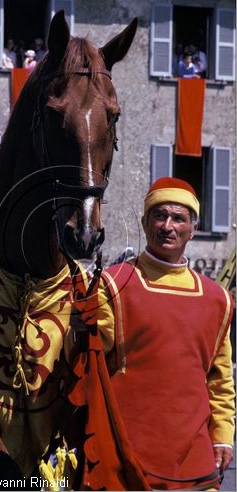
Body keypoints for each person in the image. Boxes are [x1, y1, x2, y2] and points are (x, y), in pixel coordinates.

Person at [98, 177, 235, 490]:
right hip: (123, 455)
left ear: (193, 228)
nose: (167, 226)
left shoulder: (217, 299)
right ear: (145, 223)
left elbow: (220, 379)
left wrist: (224, 438)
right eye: (159, 216)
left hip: (195, 460)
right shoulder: (114, 284)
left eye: (178, 218)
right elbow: (87, 362)